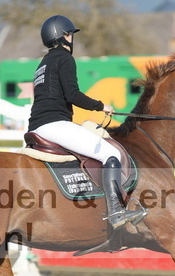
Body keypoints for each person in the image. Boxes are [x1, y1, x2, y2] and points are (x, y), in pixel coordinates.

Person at [28, 15, 147, 230]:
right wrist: (101, 106)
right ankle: (116, 211)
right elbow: (72, 94)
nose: (71, 38)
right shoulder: (64, 59)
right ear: (63, 36)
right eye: (70, 34)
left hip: (37, 125)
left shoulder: (42, 64)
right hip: (55, 124)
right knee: (110, 155)